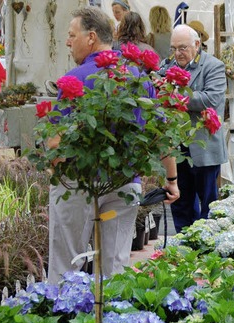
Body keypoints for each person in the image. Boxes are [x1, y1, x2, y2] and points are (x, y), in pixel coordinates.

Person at [47, 7, 179, 283]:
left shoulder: (76, 79)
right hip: (124, 183)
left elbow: (55, 142)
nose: (68, 41)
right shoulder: (140, 78)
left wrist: (57, 175)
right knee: (116, 268)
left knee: (65, 265)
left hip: (78, 184)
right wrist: (172, 179)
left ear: (91, 37)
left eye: (72, 35)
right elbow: (160, 134)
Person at [157, 24, 227, 233]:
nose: (177, 53)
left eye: (182, 48)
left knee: (208, 203)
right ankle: (184, 245)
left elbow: (211, 99)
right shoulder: (167, 64)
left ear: (197, 44)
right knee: (180, 201)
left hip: (204, 146)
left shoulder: (213, 66)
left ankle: (207, 244)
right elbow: (155, 82)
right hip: (177, 146)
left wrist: (175, 97)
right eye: (173, 48)